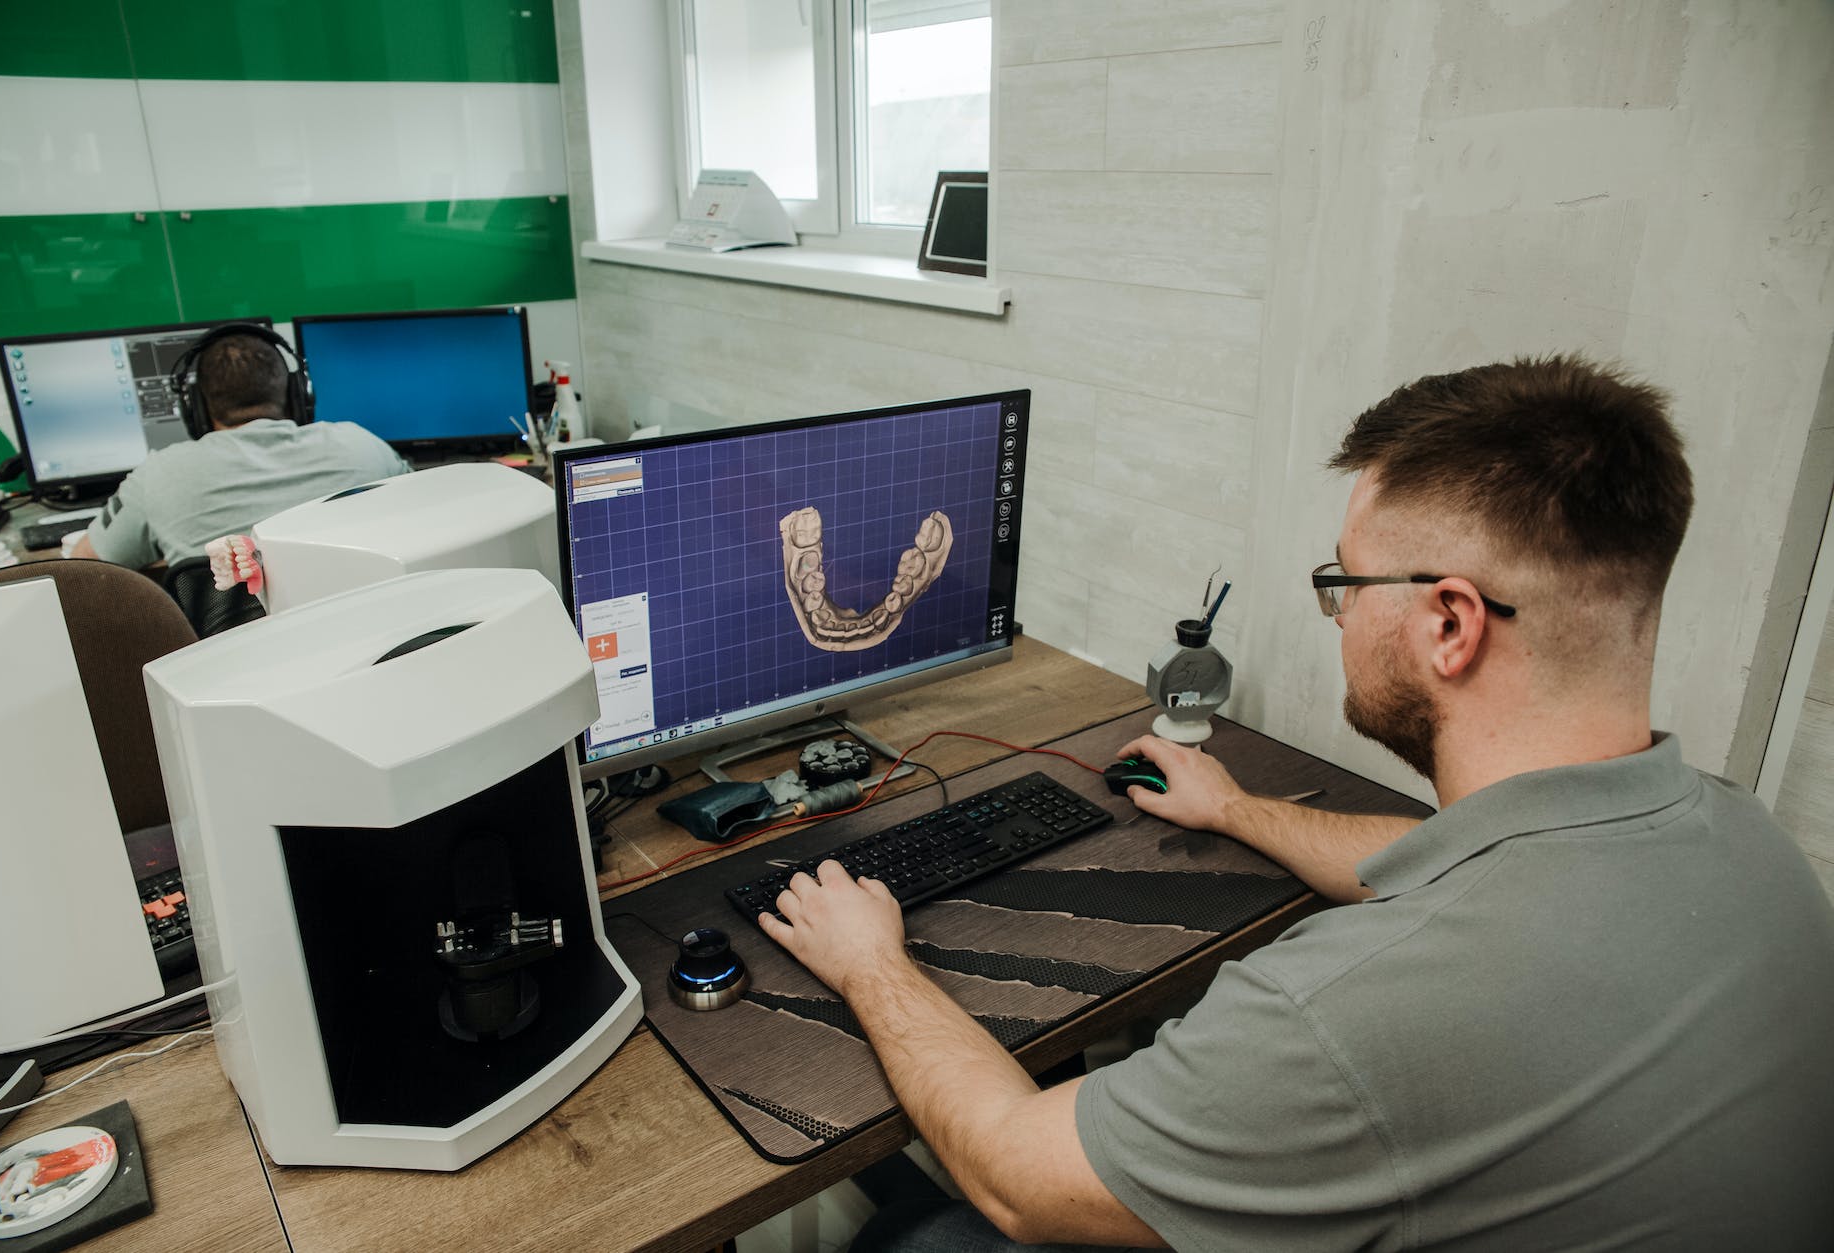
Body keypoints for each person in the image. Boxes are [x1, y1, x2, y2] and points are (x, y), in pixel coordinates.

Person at [761, 356, 1834, 1250]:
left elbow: (1007, 1173)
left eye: (1348, 582)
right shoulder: (1750, 847)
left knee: (928, 1236)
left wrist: (871, 961)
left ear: (1450, 625)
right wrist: (1234, 808)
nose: (1334, 615)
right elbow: (1446, 856)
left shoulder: (1336, 1018)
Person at [72, 329, 407, 568]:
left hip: (240, 661)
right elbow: (423, 512)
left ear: (196, 411)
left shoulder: (158, 475)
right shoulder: (362, 445)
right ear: (297, 396)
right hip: (371, 644)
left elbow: (86, 564)